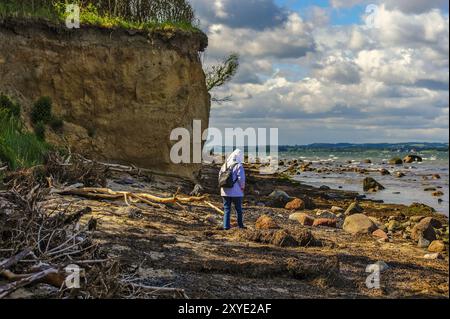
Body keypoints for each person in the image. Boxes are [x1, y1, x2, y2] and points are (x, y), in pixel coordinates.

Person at [219, 149, 246, 230]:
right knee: (238, 209)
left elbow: (220, 177)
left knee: (227, 209)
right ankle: (240, 226)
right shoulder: (239, 165)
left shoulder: (224, 165)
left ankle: (226, 226)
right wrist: (242, 187)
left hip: (224, 191)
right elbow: (241, 178)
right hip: (236, 192)